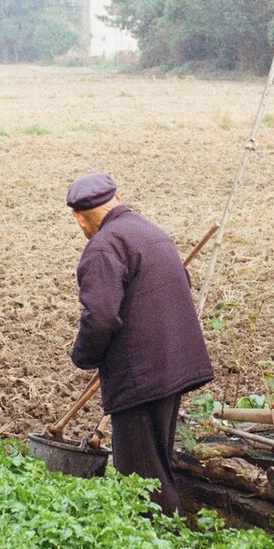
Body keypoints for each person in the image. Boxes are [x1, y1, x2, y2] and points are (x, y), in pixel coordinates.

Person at [66, 172, 213, 515]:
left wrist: (83, 356)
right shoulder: (152, 233)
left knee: (142, 479)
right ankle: (170, 536)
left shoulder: (104, 247)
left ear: (79, 216)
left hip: (140, 377)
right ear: (116, 200)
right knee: (158, 464)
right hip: (171, 368)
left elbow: (100, 317)